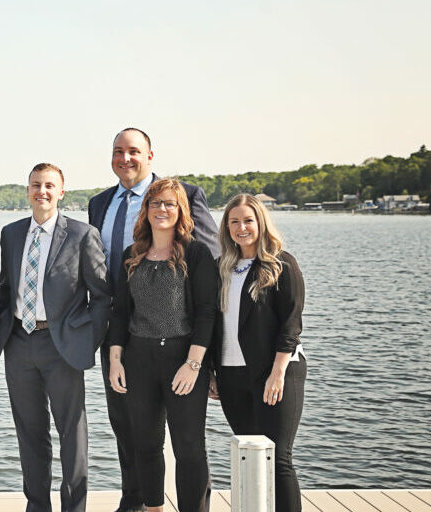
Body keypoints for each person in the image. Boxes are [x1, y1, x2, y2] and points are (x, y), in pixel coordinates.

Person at [87, 128, 218, 512]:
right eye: (118, 151)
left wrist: (200, 356)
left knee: (188, 442)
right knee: (130, 431)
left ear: (150, 156)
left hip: (182, 340)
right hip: (121, 335)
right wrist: (112, 351)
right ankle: (136, 503)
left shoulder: (185, 196)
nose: (125, 158)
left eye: (133, 151)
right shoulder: (100, 203)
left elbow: (208, 279)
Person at [0, 163, 113, 512]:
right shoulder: (12, 234)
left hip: (63, 346)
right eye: (35, 185)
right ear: (27, 190)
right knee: (29, 433)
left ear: (61, 192)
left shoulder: (81, 234)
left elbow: (103, 297)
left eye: (49, 186)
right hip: (18, 343)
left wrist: (85, 341)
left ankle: (73, 507)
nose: (41, 191)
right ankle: (37, 506)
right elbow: (5, 288)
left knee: (71, 434)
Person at [211, 193, 306, 512]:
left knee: (278, 459)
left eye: (248, 220)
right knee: (250, 454)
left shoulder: (282, 264)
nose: (241, 227)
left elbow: (291, 325)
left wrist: (277, 373)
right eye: (234, 221)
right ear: (226, 227)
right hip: (232, 376)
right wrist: (212, 371)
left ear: (261, 223)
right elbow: (212, 325)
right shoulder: (221, 268)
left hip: (275, 373)